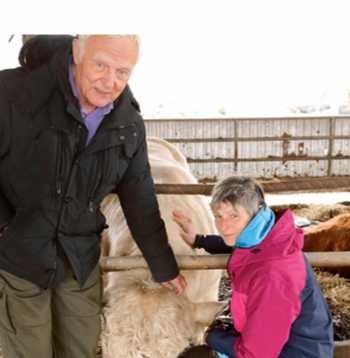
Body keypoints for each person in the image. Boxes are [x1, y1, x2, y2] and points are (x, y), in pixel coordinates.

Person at [0, 34, 186, 358]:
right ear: (77, 51)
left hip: (80, 256)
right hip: (21, 250)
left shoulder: (128, 124)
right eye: (101, 64)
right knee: (30, 350)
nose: (109, 81)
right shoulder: (13, 94)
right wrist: (5, 226)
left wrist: (163, 265)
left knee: (81, 347)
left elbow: (140, 200)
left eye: (122, 71)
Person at [173, 176, 333, 358]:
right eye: (218, 216)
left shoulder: (272, 275)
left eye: (234, 215)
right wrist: (200, 240)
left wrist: (212, 336)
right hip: (287, 345)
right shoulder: (270, 238)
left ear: (256, 212)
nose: (223, 226)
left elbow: (256, 354)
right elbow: (240, 245)